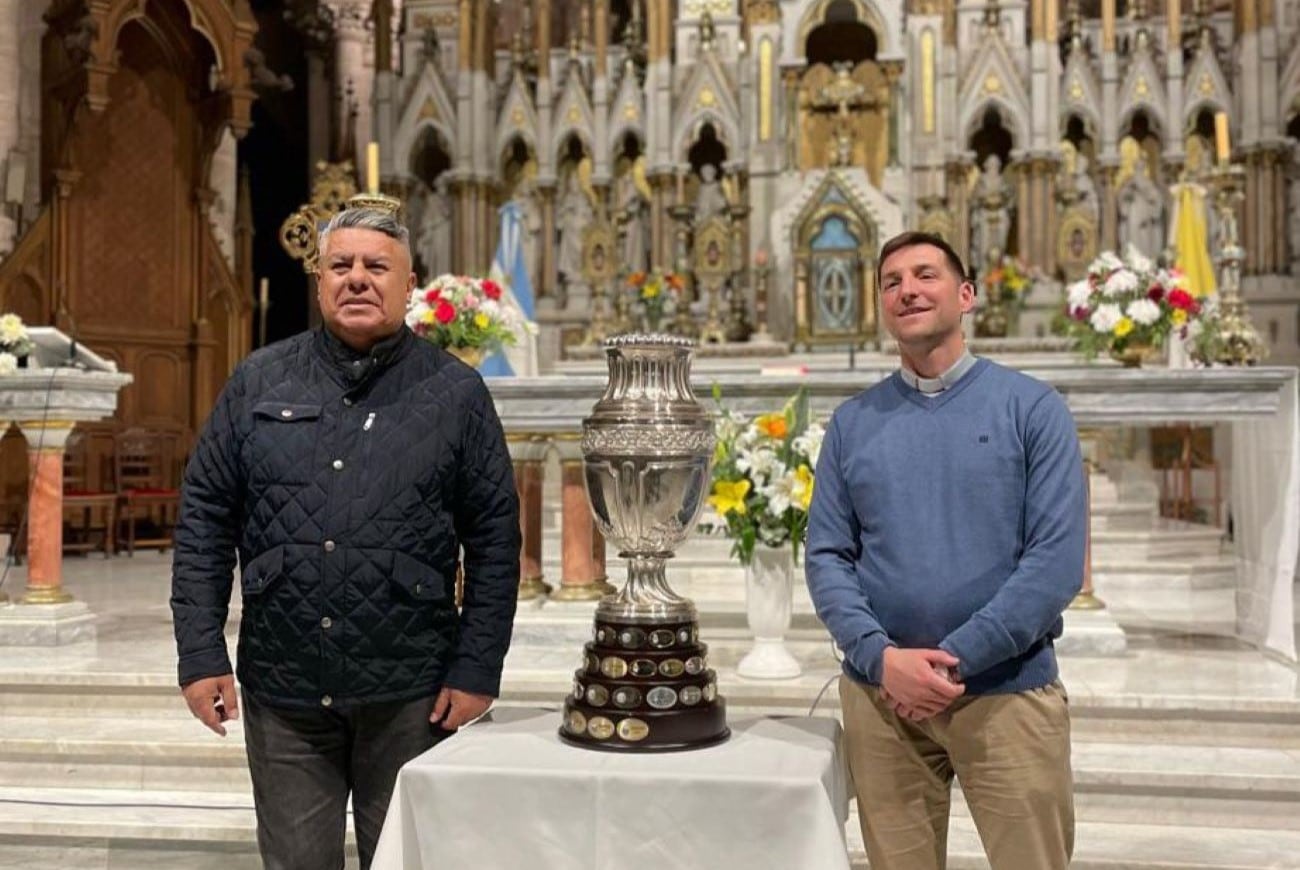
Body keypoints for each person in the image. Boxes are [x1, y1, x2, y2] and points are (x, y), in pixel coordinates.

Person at [171, 207, 521, 870]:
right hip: (285, 687)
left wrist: (478, 667)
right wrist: (199, 653)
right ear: (319, 279)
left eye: (375, 266)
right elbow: (205, 518)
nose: (356, 279)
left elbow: (496, 538)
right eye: (341, 265)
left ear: (409, 283)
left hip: (412, 692)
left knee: (408, 862)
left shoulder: (455, 393)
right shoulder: (258, 382)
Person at [806, 231, 1086, 870]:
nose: (907, 289)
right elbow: (826, 555)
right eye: (891, 281)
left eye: (925, 275)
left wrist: (950, 664)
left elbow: (1054, 563)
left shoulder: (1033, 409)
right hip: (883, 707)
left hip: (1006, 695)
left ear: (966, 296)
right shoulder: (853, 423)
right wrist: (881, 659)